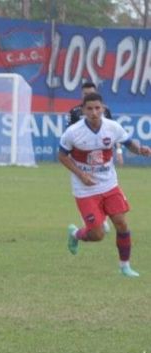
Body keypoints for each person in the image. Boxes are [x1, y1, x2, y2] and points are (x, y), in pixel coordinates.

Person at [59, 92, 151, 277]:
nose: (94, 112)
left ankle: (125, 266)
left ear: (103, 109)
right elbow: (62, 156)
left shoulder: (112, 127)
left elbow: (128, 143)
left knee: (121, 224)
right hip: (85, 189)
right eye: (90, 108)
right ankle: (76, 234)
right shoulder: (73, 132)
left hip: (109, 184)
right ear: (83, 110)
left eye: (97, 108)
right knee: (98, 235)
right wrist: (81, 174)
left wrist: (139, 149)